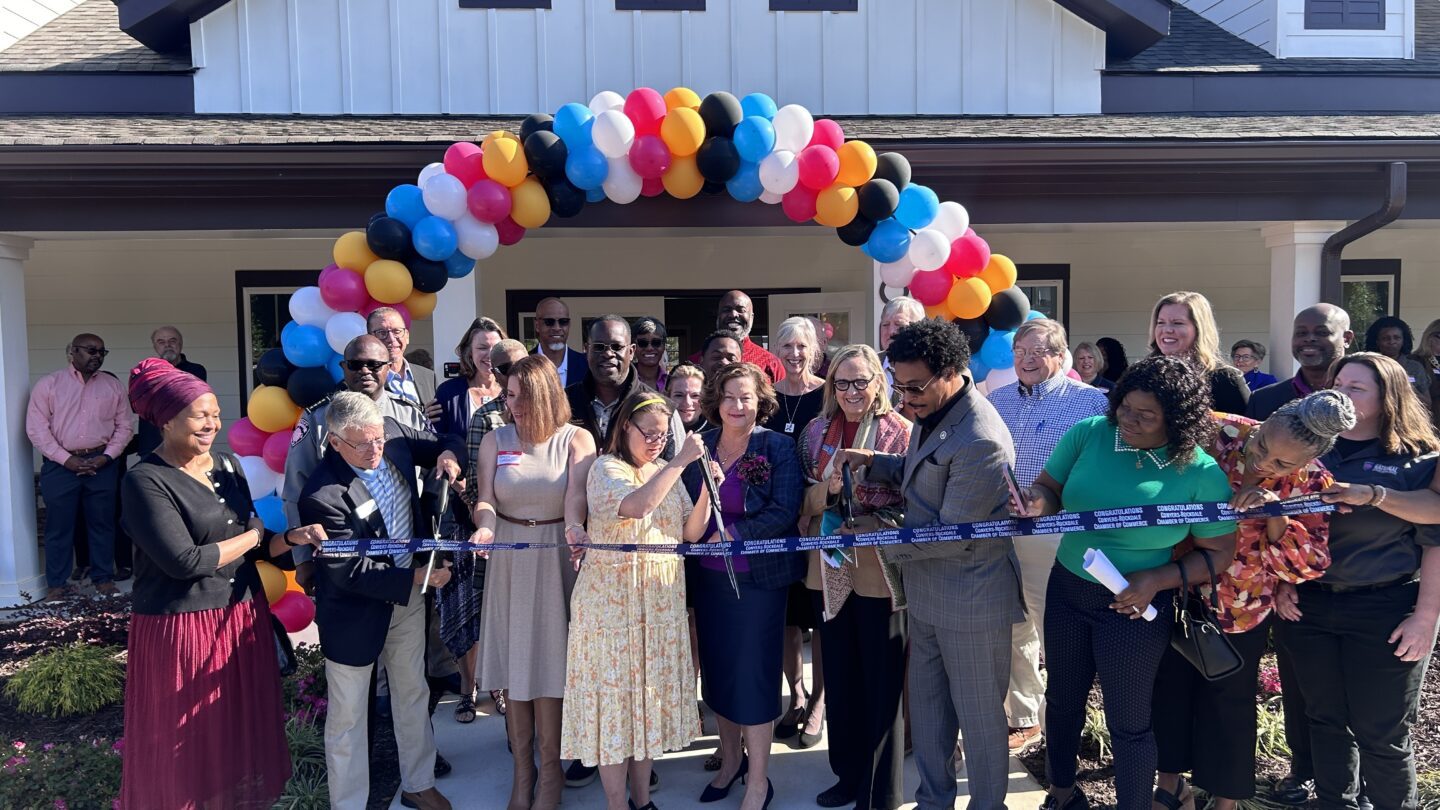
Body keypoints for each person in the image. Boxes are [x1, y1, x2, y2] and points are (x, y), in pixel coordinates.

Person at [1018, 356, 1238, 810]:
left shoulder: (1199, 472)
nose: (1129, 422)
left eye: (1146, 415)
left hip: (1135, 605)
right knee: (1062, 702)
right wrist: (1036, 503)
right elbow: (1050, 488)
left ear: (1177, 421)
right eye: (1125, 408)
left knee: (1129, 721)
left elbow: (1220, 554)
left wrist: (1156, 579)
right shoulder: (1089, 434)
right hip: (1069, 588)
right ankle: (1061, 793)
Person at [118, 357, 325, 809]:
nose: (212, 423)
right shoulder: (145, 480)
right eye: (200, 414)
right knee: (188, 738)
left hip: (240, 616)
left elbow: (252, 543)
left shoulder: (227, 466)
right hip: (183, 628)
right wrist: (253, 534)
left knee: (235, 731)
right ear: (167, 420)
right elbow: (185, 561)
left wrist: (292, 538)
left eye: (215, 412)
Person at [836, 319, 1023, 810]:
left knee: (981, 723)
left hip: (972, 601)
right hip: (928, 597)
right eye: (899, 385)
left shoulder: (981, 438)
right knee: (930, 713)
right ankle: (933, 802)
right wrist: (876, 461)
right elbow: (927, 471)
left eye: (915, 387)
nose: (906, 398)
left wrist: (877, 537)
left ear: (952, 372)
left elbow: (949, 536)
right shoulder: (932, 411)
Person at [1153, 391, 1349, 810]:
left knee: (1230, 703)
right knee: (1168, 689)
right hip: (1177, 583)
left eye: (1281, 464)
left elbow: (1307, 566)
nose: (1262, 463)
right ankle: (1170, 786)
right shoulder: (1218, 430)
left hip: (1241, 604)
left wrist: (1276, 513)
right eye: (1260, 445)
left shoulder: (1313, 482)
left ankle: (1226, 800)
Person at [1278, 353, 1440, 810]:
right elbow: (1280, 523)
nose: (1340, 393)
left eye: (1356, 388)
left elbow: (1436, 534)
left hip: (1384, 608)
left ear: (1387, 398)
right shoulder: (1306, 450)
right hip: (1309, 606)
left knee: (1381, 732)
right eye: (1337, 383)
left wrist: (1425, 617)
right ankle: (1337, 803)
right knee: (1325, 721)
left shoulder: (1419, 460)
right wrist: (1283, 580)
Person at [297, 392, 462, 810]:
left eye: (379, 440)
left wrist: (448, 457)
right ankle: (349, 804)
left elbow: (451, 439)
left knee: (413, 693)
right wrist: (416, 576)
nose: (375, 450)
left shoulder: (394, 437)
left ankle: (419, 783)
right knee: (349, 717)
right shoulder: (322, 495)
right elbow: (348, 570)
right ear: (335, 442)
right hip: (355, 614)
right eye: (362, 444)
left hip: (407, 603)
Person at [562, 391, 712, 810]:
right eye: (649, 433)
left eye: (663, 435)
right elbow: (638, 506)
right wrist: (681, 460)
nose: (656, 442)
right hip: (611, 611)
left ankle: (642, 801)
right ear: (624, 426)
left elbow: (691, 532)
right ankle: (616, 804)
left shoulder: (666, 468)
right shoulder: (606, 468)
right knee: (614, 710)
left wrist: (705, 490)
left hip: (658, 608)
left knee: (644, 709)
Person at [473, 355, 598, 810]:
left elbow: (576, 498)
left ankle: (550, 776)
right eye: (508, 397)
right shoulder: (494, 440)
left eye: (522, 399)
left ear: (546, 397)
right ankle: (521, 775)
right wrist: (484, 526)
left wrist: (574, 528)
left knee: (548, 665)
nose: (513, 408)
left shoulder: (576, 439)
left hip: (555, 557)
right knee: (513, 665)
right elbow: (485, 499)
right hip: (508, 557)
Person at [682, 362, 805, 810]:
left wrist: (734, 534)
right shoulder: (700, 446)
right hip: (709, 583)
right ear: (717, 400)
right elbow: (683, 505)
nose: (737, 405)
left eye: (746, 397)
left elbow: (784, 509)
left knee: (753, 677)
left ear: (761, 401)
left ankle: (758, 781)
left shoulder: (778, 446)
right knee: (718, 674)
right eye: (730, 396)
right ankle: (731, 760)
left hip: (758, 582)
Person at [797, 344, 911, 810]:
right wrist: (831, 488)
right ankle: (847, 776)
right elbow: (803, 499)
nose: (850, 391)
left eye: (860, 381)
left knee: (881, 681)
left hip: (880, 572)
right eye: (841, 382)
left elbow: (913, 498)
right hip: (830, 567)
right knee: (840, 677)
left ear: (878, 383)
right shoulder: (814, 431)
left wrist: (867, 504)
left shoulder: (901, 431)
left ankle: (881, 792)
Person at [987, 319, 1108, 755]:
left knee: (1055, 629)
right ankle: (1023, 717)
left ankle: (1063, 721)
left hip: (1055, 534)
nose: (1027, 360)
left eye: (1038, 351)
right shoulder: (995, 400)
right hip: (1000, 530)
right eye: (1020, 352)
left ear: (1061, 357)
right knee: (1012, 625)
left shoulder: (1092, 403)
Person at [282, 335, 430, 589]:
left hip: (407, 553)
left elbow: (428, 481)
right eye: (355, 364)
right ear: (343, 367)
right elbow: (296, 487)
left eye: (374, 364)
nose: (364, 371)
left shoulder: (408, 413)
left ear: (388, 366)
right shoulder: (318, 417)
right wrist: (303, 559)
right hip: (345, 560)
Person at [447, 338, 530, 724]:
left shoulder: (554, 413)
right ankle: (474, 689)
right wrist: (486, 524)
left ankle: (511, 696)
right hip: (493, 533)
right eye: (503, 368)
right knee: (482, 618)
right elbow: (478, 487)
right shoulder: (487, 418)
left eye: (518, 365)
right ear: (493, 372)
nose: (511, 374)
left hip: (542, 539)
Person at [26, 333, 134, 600]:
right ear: (72, 352)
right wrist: (67, 459)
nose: (96, 356)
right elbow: (36, 429)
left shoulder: (113, 386)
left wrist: (107, 457)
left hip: (102, 465)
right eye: (90, 350)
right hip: (60, 466)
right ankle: (57, 585)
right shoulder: (49, 385)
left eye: (101, 352)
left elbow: (125, 426)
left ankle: (103, 578)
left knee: (102, 524)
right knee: (59, 527)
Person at [762, 317, 828, 747]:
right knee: (787, 619)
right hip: (778, 522)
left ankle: (820, 702)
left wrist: (812, 505)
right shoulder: (768, 397)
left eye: (802, 345)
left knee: (819, 617)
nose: (794, 353)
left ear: (814, 350)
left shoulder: (828, 394)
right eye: (786, 345)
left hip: (820, 522)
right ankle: (797, 696)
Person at [567, 315, 683, 461]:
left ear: (631, 351)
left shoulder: (663, 407)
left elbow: (678, 469)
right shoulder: (564, 402)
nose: (608, 354)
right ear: (586, 350)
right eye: (598, 347)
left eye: (617, 347)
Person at [1149, 291, 1249, 414]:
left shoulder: (1225, 379)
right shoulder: (1144, 374)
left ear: (1199, 329)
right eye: (1160, 323)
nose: (1167, 329)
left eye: (1178, 323)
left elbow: (1246, 429)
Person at [1249, 304, 1355, 420]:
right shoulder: (1262, 400)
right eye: (1301, 333)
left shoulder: (1367, 396)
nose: (1309, 338)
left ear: (1347, 338)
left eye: (1322, 333)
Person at [687, 290, 787, 383]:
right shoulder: (695, 362)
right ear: (718, 316)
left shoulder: (771, 364)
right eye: (727, 310)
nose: (733, 314)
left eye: (741, 310)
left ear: (751, 317)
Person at [433, 317, 506, 440]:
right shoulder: (449, 392)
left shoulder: (512, 390)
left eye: (496, 348)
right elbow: (436, 440)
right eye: (482, 348)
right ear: (470, 352)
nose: (490, 355)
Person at [368, 306, 438, 407]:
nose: (391, 339)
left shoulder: (429, 377)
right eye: (382, 333)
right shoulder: (362, 380)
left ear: (407, 336)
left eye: (397, 331)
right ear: (370, 338)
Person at [1364, 315, 1430, 403]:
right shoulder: (1368, 366)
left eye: (1397, 338)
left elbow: (1427, 403)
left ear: (1404, 340)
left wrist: (1407, 389)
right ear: (1377, 341)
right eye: (1385, 338)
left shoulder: (1415, 367)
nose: (1392, 342)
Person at [534, 297, 589, 388]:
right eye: (549, 322)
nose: (557, 328)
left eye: (563, 322)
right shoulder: (522, 364)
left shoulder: (587, 365)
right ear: (537, 325)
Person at [878, 296, 925, 387]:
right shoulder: (869, 363)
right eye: (885, 324)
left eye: (899, 324)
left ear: (918, 328)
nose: (891, 331)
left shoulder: (927, 367)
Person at [666, 362, 706, 433]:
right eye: (679, 395)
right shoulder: (658, 430)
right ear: (668, 397)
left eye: (695, 396)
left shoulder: (719, 433)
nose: (687, 402)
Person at [633, 316, 670, 391]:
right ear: (633, 347)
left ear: (664, 347)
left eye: (656, 342)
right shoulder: (623, 381)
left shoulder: (671, 382)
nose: (649, 348)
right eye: (642, 343)